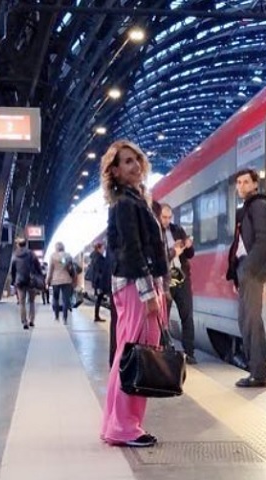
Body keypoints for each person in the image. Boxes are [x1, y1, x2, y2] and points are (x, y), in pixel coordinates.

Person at [100, 139, 168, 448]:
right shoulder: (126, 203)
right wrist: (148, 292)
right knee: (133, 353)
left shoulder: (134, 199)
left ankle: (118, 423)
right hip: (134, 285)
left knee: (127, 352)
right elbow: (132, 249)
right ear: (114, 171)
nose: (135, 165)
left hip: (134, 285)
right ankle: (125, 426)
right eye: (127, 162)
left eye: (137, 160)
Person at [226, 168, 266, 388]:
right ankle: (256, 370)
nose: (241, 186)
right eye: (238, 182)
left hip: (252, 271)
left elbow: (264, 241)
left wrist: (249, 269)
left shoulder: (259, 206)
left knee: (252, 322)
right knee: (245, 321)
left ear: (255, 184)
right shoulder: (245, 209)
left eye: (246, 182)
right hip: (244, 271)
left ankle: (259, 374)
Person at [159, 203, 197, 364]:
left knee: (187, 316)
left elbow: (190, 254)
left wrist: (188, 246)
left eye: (169, 217)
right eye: (164, 217)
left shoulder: (177, 230)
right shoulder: (155, 232)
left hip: (181, 278)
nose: (167, 221)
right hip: (165, 280)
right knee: (163, 317)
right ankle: (163, 351)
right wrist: (173, 250)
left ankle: (189, 352)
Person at [10, 237, 41, 329]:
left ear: (18, 245)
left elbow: (13, 270)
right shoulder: (31, 254)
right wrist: (39, 276)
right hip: (31, 281)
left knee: (22, 303)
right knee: (31, 302)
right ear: (26, 244)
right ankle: (31, 320)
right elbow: (37, 266)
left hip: (20, 281)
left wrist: (13, 281)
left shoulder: (15, 255)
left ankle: (24, 322)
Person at [46, 242, 74, 324]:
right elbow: (71, 268)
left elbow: (50, 270)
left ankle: (56, 316)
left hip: (55, 281)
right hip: (66, 280)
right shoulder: (68, 256)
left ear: (56, 248)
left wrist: (47, 280)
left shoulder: (53, 256)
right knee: (66, 300)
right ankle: (65, 318)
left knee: (56, 298)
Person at [90, 243, 110, 322]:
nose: (104, 250)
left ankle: (96, 316)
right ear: (99, 248)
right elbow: (101, 271)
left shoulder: (95, 257)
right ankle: (96, 316)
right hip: (99, 282)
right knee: (99, 299)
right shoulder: (98, 258)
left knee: (99, 299)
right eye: (103, 248)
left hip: (97, 282)